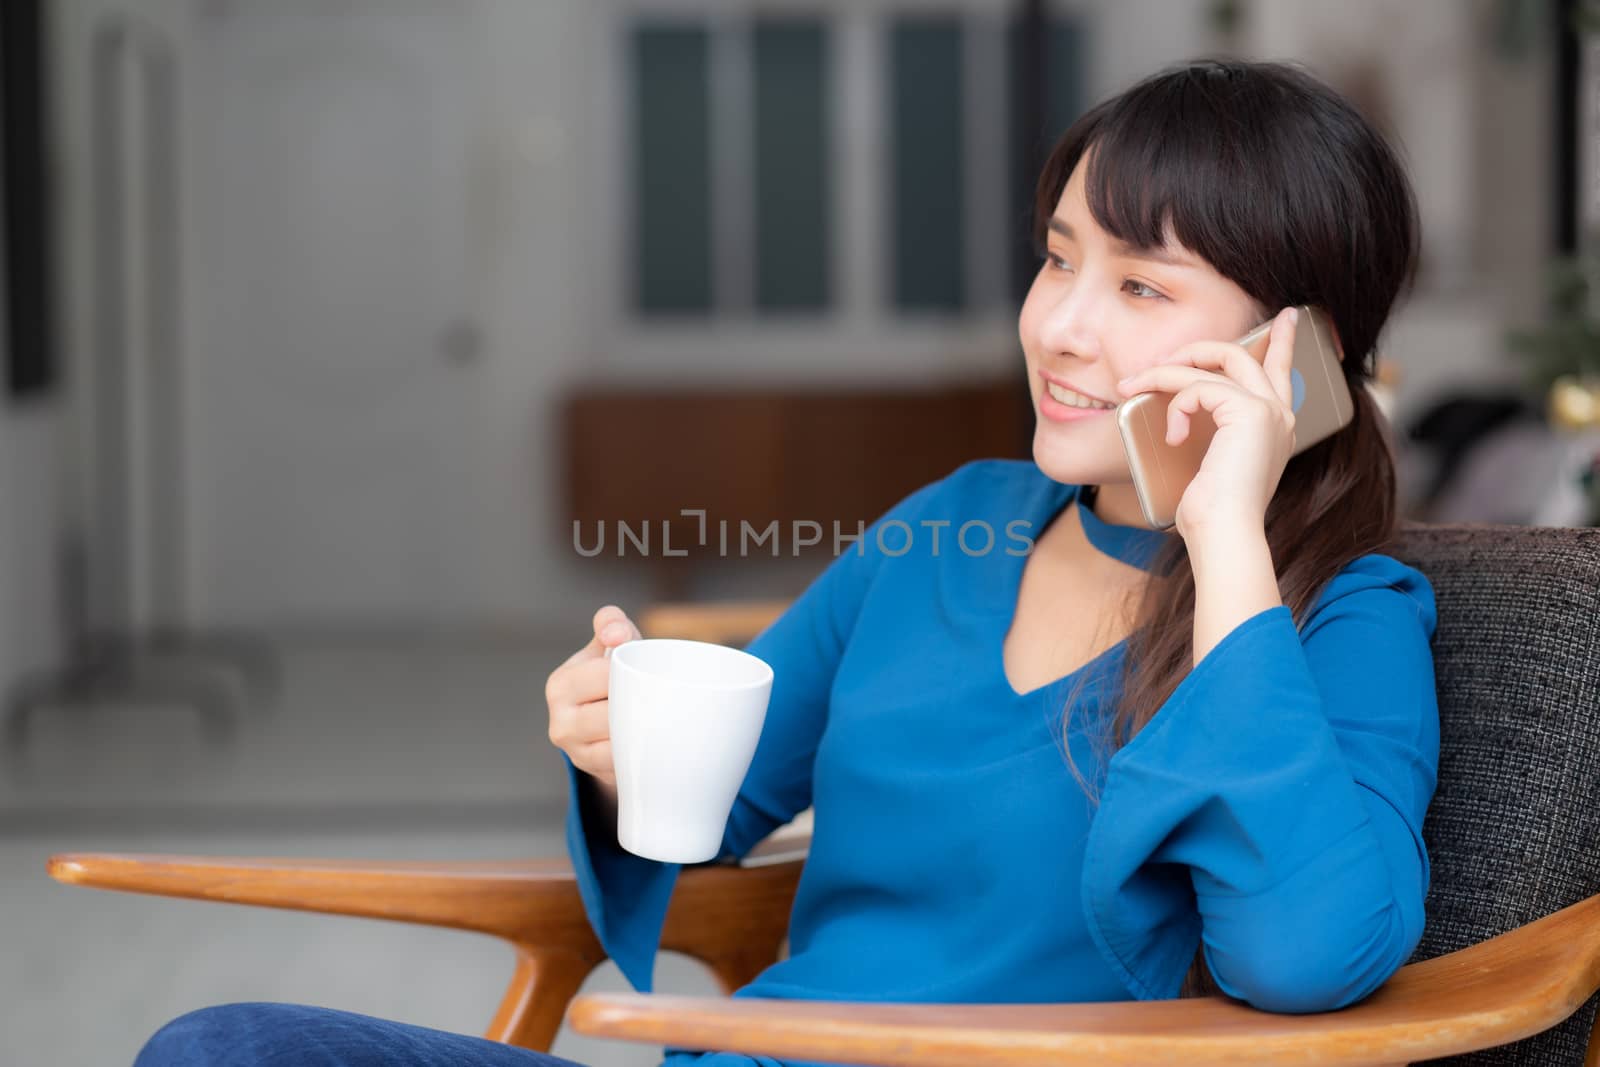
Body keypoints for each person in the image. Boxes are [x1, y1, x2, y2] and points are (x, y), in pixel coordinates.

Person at [131, 57, 1438, 1067]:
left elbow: (1306, 957)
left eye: (1142, 288)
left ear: (1296, 358)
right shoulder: (953, 524)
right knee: (227, 1048)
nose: (1060, 328)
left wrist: (1222, 547)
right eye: (1056, 260)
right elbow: (717, 805)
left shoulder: (1338, 621)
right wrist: (615, 748)